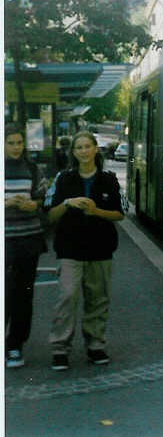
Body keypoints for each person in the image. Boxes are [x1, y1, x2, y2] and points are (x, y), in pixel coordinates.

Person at [45, 131, 124, 371]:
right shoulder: (63, 179)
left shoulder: (109, 179)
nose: (84, 151)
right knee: (67, 297)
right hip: (70, 248)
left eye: (88, 146)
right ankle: (60, 348)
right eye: (79, 147)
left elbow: (119, 214)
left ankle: (95, 345)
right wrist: (67, 203)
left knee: (98, 299)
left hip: (100, 248)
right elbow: (50, 215)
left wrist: (96, 211)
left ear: (95, 149)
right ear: (74, 152)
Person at [5, 125, 48, 368]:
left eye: (19, 142)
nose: (16, 147)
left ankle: (15, 345)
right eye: (10, 142)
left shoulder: (33, 169)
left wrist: (35, 205)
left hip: (29, 239)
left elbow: (43, 197)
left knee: (23, 295)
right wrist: (7, 203)